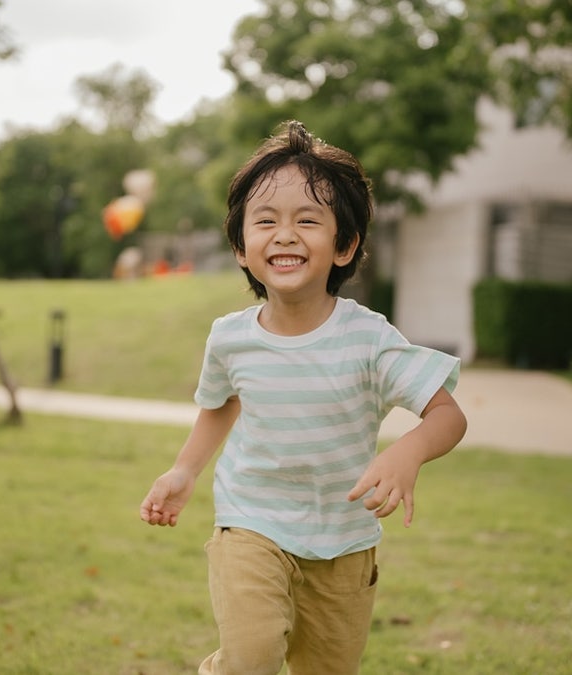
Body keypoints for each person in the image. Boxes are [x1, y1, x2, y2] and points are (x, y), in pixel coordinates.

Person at [139, 120, 468, 674]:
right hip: (252, 522)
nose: (285, 234)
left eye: (307, 220)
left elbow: (447, 415)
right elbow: (222, 403)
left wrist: (407, 452)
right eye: (265, 221)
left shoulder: (369, 339)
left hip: (343, 541)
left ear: (345, 246)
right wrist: (184, 471)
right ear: (242, 249)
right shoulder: (231, 337)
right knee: (251, 659)